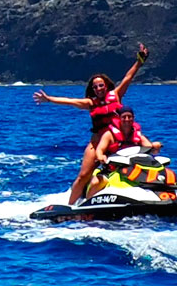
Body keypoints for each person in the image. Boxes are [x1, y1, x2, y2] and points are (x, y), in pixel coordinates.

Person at [33, 43, 150, 204]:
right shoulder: (90, 103)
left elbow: (128, 77)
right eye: (95, 87)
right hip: (96, 144)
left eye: (101, 85)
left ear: (106, 85)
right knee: (83, 176)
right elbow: (70, 101)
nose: (98, 88)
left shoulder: (116, 95)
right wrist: (49, 99)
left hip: (117, 143)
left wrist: (140, 61)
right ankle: (71, 206)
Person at [83, 106, 164, 195]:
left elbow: (149, 148)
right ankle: (87, 202)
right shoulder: (110, 135)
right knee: (96, 183)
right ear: (119, 118)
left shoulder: (137, 135)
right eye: (124, 117)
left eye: (130, 117)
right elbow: (99, 150)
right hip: (112, 170)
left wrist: (155, 147)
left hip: (133, 170)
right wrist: (101, 156)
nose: (127, 120)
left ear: (133, 118)